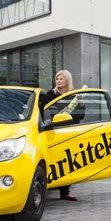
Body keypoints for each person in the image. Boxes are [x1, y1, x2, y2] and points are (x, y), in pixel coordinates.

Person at [42, 69, 78, 201]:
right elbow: (42, 109)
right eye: (57, 78)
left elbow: (81, 114)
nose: (58, 80)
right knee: (53, 159)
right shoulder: (51, 94)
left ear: (67, 80)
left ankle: (65, 192)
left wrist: (80, 104)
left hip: (68, 130)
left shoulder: (74, 95)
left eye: (61, 78)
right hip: (52, 130)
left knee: (68, 161)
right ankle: (47, 186)